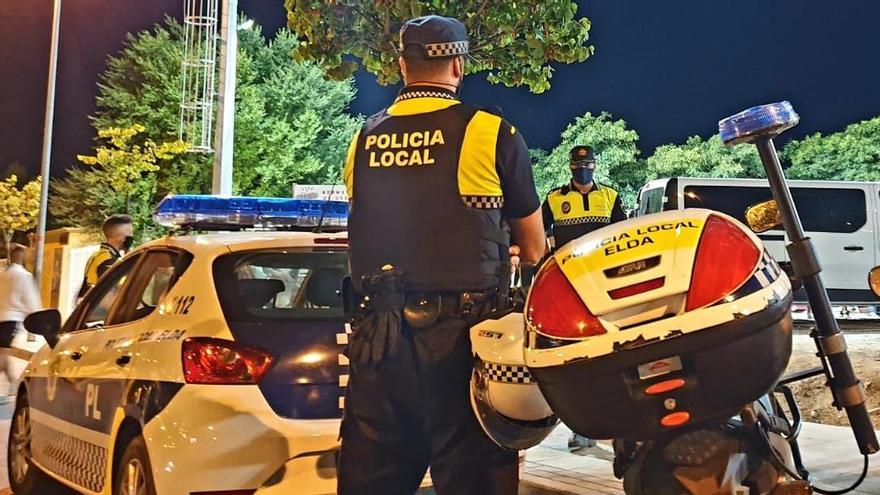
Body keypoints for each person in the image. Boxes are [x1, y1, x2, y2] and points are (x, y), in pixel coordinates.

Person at [339, 15, 545, 495]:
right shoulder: (490, 131)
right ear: (458, 63)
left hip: (378, 341)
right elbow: (533, 247)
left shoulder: (363, 138)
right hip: (462, 347)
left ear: (401, 66)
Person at [542, 145, 627, 250]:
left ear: (594, 166)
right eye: (577, 164)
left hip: (603, 262)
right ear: (570, 166)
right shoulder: (554, 198)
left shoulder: (610, 195)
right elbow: (538, 230)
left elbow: (624, 231)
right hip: (568, 263)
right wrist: (546, 253)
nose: (582, 168)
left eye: (587, 164)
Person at [0, 244, 41, 395]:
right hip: (10, 319)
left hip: (2, 317)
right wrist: (38, 318)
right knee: (3, 352)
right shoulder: (24, 275)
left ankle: (12, 384)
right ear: (22, 256)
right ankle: (13, 384)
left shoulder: (3, 274)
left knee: (3, 352)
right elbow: (31, 300)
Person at [78, 214, 134, 298]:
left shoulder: (98, 255)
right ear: (120, 237)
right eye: (130, 234)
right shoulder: (108, 260)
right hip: (100, 309)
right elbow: (117, 290)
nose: (132, 237)